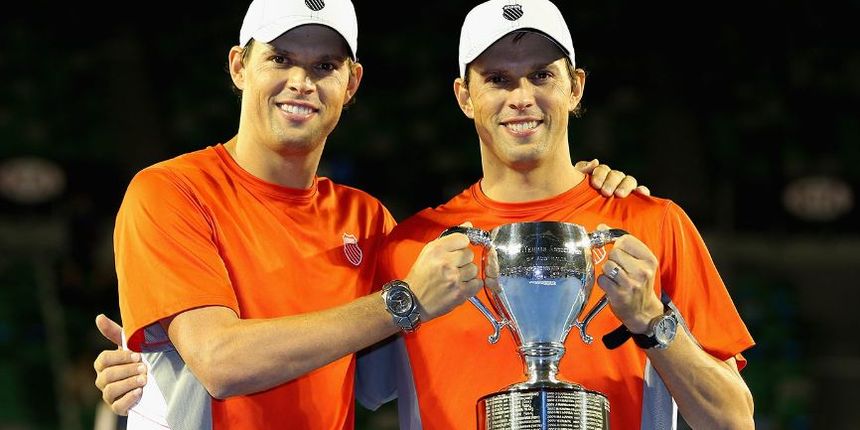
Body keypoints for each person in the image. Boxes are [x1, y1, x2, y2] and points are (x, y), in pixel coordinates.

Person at [90, 0, 646, 428]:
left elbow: (375, 382)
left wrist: (584, 193)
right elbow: (220, 362)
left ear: (350, 82)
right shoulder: (170, 191)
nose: (301, 83)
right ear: (240, 65)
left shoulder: (367, 219)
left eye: (324, 65)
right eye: (280, 59)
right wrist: (403, 303)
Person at [368, 1, 756, 429]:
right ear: (464, 96)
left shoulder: (654, 225)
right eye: (498, 79)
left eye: (541, 76)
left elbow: (734, 421)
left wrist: (651, 321)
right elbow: (339, 390)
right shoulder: (411, 249)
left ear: (575, 87)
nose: (521, 98)